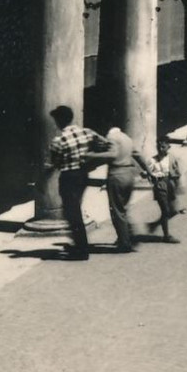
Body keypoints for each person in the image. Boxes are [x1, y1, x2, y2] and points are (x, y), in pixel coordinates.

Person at [44, 104, 111, 260]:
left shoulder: (58, 140)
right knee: (75, 210)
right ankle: (80, 246)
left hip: (68, 177)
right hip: (83, 175)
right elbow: (105, 144)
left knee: (72, 212)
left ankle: (82, 250)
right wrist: (90, 158)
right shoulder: (86, 132)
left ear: (60, 120)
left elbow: (55, 163)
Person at [102, 124, 155, 253]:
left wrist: (90, 158)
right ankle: (128, 236)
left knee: (117, 211)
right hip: (129, 175)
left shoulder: (111, 138)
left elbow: (111, 155)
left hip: (116, 174)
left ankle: (124, 242)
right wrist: (149, 171)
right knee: (124, 208)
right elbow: (139, 156)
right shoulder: (127, 139)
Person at [145, 136, 184, 243]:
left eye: (163, 147)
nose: (161, 149)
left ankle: (155, 225)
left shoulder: (172, 158)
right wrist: (149, 176)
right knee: (165, 210)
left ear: (168, 147)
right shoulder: (152, 160)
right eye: (159, 147)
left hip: (170, 183)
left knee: (173, 210)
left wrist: (178, 185)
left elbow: (177, 173)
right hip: (160, 184)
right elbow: (147, 172)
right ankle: (166, 236)